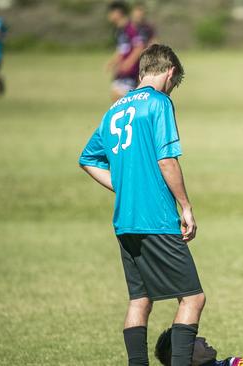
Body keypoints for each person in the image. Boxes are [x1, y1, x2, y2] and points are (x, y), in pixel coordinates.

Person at [79, 44, 205, 366]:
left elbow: (88, 159)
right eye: (174, 83)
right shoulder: (160, 103)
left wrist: (122, 186)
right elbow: (167, 160)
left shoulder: (116, 109)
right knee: (192, 297)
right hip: (156, 218)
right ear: (170, 72)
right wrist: (186, 206)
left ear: (140, 71)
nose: (172, 89)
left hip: (125, 219)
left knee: (140, 299)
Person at [106, 1, 145, 101]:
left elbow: (139, 47)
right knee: (117, 98)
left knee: (120, 98)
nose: (109, 15)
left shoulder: (130, 28)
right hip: (122, 72)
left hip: (130, 72)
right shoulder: (119, 30)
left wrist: (128, 63)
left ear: (118, 12)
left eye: (110, 12)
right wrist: (113, 62)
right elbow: (122, 50)